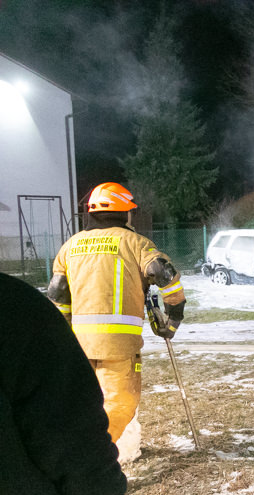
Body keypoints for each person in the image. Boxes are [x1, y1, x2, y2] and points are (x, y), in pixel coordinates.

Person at [0, 272, 141, 495]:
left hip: (81, 336)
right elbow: (65, 426)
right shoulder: (11, 305)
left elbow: (58, 289)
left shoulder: (68, 248)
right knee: (119, 404)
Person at [47, 182, 186, 464]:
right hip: (118, 346)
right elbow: (166, 276)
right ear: (125, 213)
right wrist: (172, 319)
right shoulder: (135, 243)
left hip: (77, 346)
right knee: (121, 403)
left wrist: (62, 339)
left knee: (85, 403)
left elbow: (58, 299)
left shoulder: (69, 247)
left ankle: (109, 451)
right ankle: (92, 458)